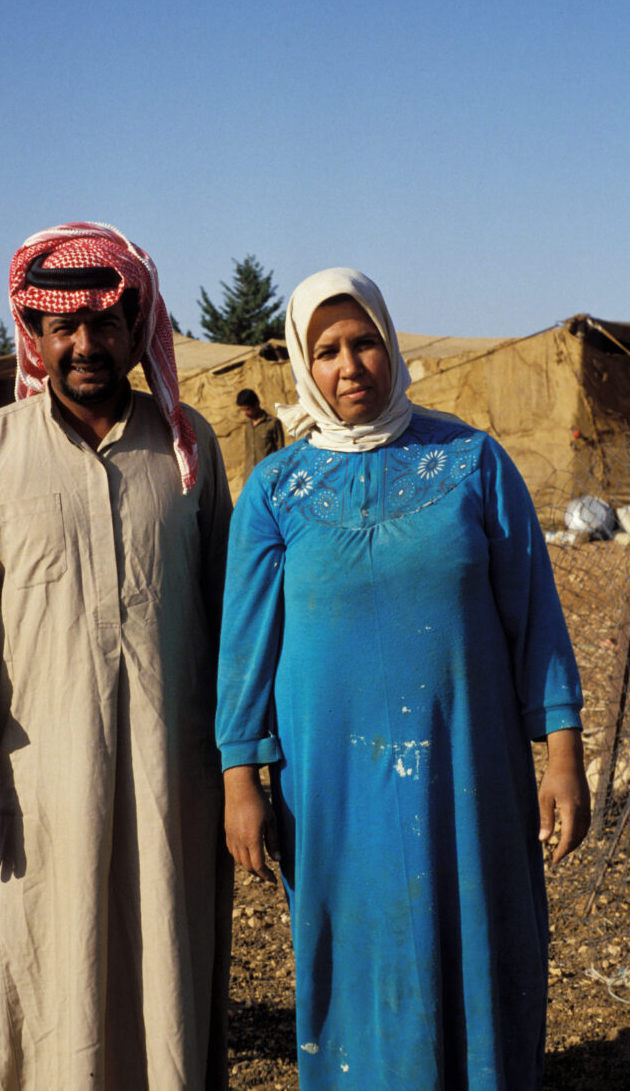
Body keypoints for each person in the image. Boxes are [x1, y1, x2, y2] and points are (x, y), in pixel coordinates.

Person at [216, 267, 590, 1090]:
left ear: (391, 346)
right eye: (326, 351)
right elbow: (244, 647)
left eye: (364, 343)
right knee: (355, 951)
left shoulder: (472, 462)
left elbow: (536, 619)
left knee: (481, 939)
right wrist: (241, 775)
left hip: (469, 774)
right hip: (333, 785)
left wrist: (562, 754)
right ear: (301, 367)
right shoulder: (276, 493)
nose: (349, 366)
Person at [0, 222, 233, 1091]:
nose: (86, 345)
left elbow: (232, 618)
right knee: (55, 963)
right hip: (47, 779)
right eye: (65, 328)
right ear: (38, 337)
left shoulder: (189, 449)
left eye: (105, 324)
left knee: (171, 958)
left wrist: (246, 765)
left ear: (137, 331)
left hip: (176, 774)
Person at [236, 387, 284, 480]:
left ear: (256, 404)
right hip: (251, 477)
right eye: (243, 410)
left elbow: (280, 451)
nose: (245, 413)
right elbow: (248, 452)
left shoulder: (273, 423)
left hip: (268, 476)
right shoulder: (248, 426)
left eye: (247, 409)